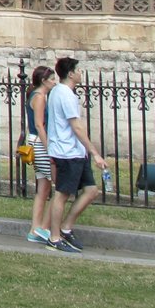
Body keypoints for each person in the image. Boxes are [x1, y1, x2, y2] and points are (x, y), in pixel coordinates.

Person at [45, 56, 107, 253]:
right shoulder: (64, 94)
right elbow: (76, 126)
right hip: (67, 152)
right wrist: (95, 152)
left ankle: (65, 227)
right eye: (79, 70)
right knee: (62, 195)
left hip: (75, 152)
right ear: (70, 73)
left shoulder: (60, 92)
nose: (81, 73)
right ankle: (54, 238)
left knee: (91, 190)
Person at [23, 65, 55, 244]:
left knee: (43, 187)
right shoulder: (40, 97)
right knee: (59, 187)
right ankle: (43, 227)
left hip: (34, 141)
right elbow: (40, 124)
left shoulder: (34, 95)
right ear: (43, 81)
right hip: (40, 143)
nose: (54, 82)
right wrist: (49, 146)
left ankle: (35, 228)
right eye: (51, 79)